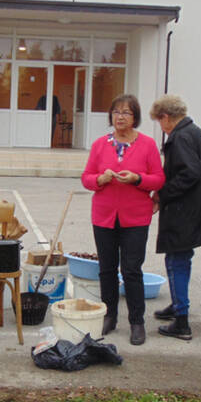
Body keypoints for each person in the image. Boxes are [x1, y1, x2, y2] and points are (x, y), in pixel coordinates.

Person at [80, 94, 165, 345]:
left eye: (126, 112)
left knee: (131, 270)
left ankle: (137, 322)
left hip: (136, 218)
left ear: (135, 117)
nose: (120, 117)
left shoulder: (147, 145)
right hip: (104, 216)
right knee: (106, 269)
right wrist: (100, 179)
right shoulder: (99, 145)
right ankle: (109, 316)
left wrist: (138, 179)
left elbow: (159, 179)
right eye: (116, 112)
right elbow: (86, 177)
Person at [147, 94, 201, 340]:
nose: (162, 127)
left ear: (166, 117)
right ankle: (177, 304)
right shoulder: (196, 132)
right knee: (182, 259)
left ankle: (181, 320)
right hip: (196, 210)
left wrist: (162, 195)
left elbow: (189, 173)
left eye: (160, 121)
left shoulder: (180, 137)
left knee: (176, 261)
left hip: (184, 212)